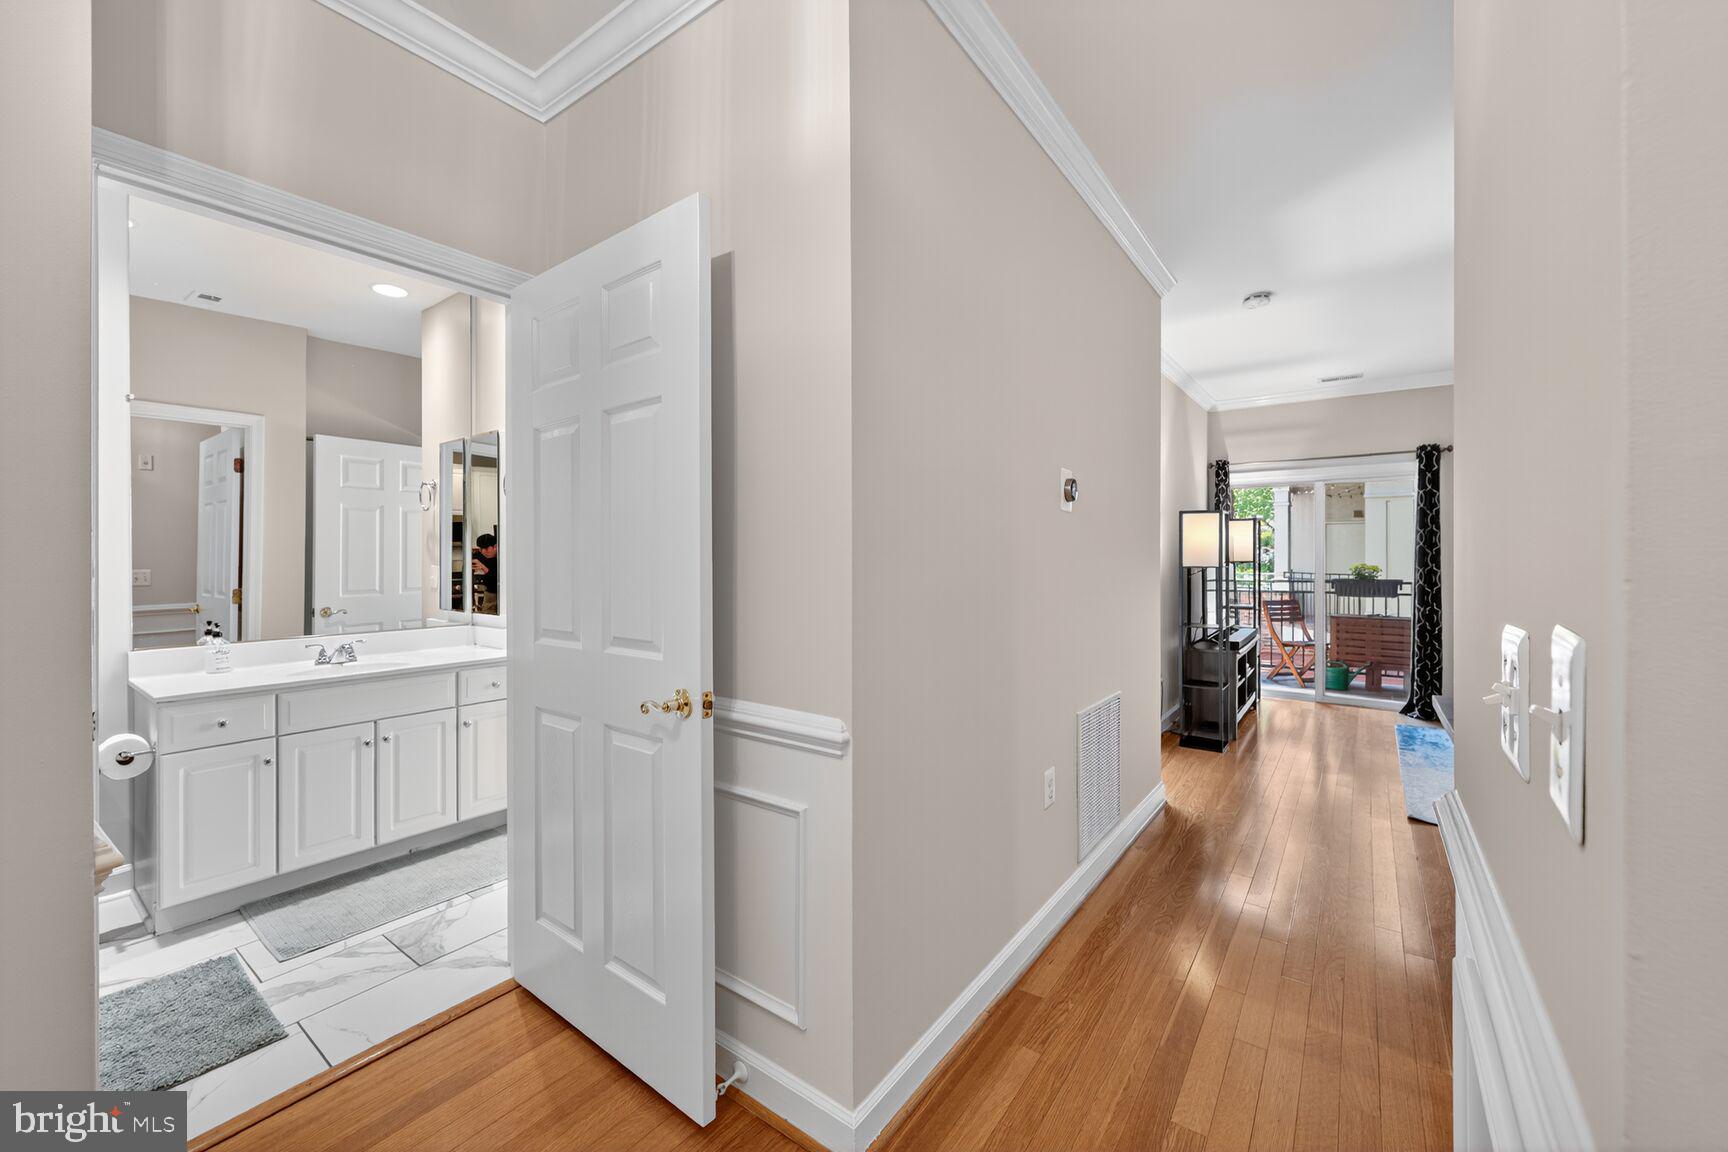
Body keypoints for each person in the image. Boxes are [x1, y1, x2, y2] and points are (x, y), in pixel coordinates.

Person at [471, 533, 499, 601]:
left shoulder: (502, 558)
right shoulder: (478, 556)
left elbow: (498, 578)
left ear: (495, 546)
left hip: (503, 593)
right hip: (489, 593)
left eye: (486, 548)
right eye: (480, 549)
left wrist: (483, 568)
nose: (483, 552)